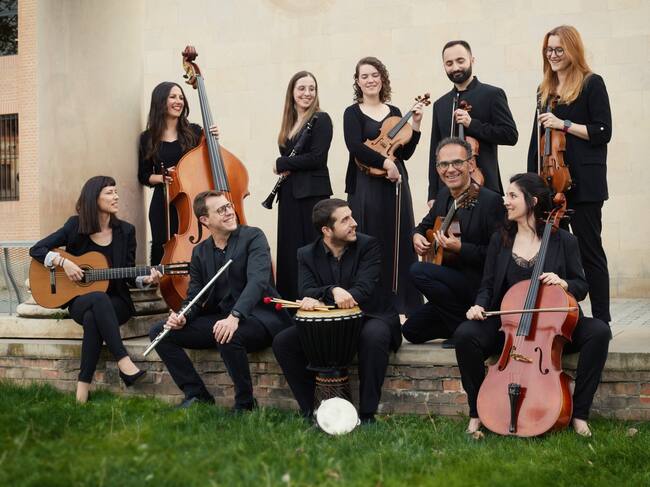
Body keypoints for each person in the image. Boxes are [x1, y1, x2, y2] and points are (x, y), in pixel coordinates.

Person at [454, 173, 611, 437]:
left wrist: (563, 283)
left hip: (553, 326)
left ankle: (580, 413)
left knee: (599, 332)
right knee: (464, 335)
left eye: (512, 196)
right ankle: (477, 411)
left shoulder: (564, 240)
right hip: (510, 325)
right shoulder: (500, 239)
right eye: (506, 196)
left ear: (533, 201)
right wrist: (478, 306)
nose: (505, 201)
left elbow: (581, 285)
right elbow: (488, 286)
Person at [149, 190, 292, 410]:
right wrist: (183, 316)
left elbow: (257, 281)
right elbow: (195, 297)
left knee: (227, 335)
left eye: (228, 206)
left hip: (260, 317)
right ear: (205, 220)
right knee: (160, 332)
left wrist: (235, 316)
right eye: (221, 210)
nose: (229, 212)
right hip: (223, 319)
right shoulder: (200, 252)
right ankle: (196, 394)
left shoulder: (253, 237)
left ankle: (245, 404)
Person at [30, 176, 159, 403]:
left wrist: (146, 279)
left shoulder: (126, 231)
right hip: (81, 300)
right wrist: (63, 262)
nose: (116, 197)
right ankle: (124, 362)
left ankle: (82, 389)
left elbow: (129, 273)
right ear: (93, 198)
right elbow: (37, 249)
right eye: (109, 193)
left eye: (116, 192)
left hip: (117, 302)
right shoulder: (75, 226)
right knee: (96, 299)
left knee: (93, 318)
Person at [272, 198, 401, 423]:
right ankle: (313, 410)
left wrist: (325, 297)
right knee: (284, 342)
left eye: (351, 216)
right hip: (329, 321)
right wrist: (332, 290)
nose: (354, 223)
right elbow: (306, 290)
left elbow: (364, 289)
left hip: (368, 315)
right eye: (345, 220)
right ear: (327, 230)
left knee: (374, 337)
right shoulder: (306, 254)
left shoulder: (368, 245)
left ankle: (367, 414)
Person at [527, 25, 612, 324]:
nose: (552, 55)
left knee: (590, 252)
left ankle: (601, 322)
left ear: (572, 51)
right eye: (548, 49)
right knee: (557, 256)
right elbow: (536, 142)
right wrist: (532, 184)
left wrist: (563, 124)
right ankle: (567, 319)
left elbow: (603, 131)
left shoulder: (591, 83)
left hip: (585, 185)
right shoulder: (543, 90)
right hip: (552, 185)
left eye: (558, 49)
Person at [402, 137, 503, 348]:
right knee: (411, 331)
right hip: (450, 289)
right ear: (437, 168)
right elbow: (422, 226)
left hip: (477, 285)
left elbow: (500, 256)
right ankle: (462, 322)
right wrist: (416, 236)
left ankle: (462, 329)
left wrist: (460, 248)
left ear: (471, 164)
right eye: (444, 164)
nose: (450, 170)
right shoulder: (443, 196)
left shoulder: (490, 201)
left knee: (418, 270)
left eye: (457, 162)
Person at [343, 56, 425, 315]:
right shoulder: (352, 113)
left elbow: (405, 153)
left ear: (382, 78)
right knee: (370, 240)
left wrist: (416, 125)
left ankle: (404, 304)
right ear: (358, 82)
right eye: (364, 76)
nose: (370, 80)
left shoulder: (395, 112)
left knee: (399, 241)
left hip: (394, 183)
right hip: (365, 183)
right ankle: (371, 304)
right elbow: (355, 147)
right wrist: (385, 162)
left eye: (375, 75)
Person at [428, 40, 518, 204]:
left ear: (472, 60)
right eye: (449, 63)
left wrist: (473, 125)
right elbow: (435, 150)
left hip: (484, 186)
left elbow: (510, 135)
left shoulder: (492, 94)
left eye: (460, 61)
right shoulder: (440, 104)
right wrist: (433, 194)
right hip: (447, 192)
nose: (455, 67)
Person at [138, 81, 218, 265]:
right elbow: (143, 175)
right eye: (173, 97)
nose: (179, 101)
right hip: (164, 200)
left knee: (195, 246)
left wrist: (212, 139)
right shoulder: (148, 137)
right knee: (162, 245)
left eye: (181, 97)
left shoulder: (195, 132)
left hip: (191, 200)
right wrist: (163, 177)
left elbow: (209, 162)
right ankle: (163, 281)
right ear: (160, 101)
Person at [274, 71, 333, 302]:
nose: (307, 93)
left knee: (312, 248)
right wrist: (286, 164)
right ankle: (290, 301)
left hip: (313, 196)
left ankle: (315, 299)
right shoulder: (289, 123)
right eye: (302, 88)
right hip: (289, 194)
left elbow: (317, 158)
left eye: (311, 88)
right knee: (290, 248)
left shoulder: (321, 119)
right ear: (292, 92)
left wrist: (281, 163)